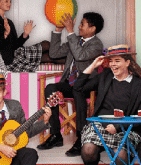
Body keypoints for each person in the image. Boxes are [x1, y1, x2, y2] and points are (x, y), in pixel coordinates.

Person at [38, 11, 104, 156]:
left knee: (77, 90)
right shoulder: (76, 40)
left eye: (82, 24)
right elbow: (54, 53)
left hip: (87, 85)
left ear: (92, 28)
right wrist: (58, 30)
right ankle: (55, 135)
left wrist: (70, 31)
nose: (78, 26)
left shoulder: (97, 44)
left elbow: (80, 56)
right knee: (50, 88)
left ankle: (81, 138)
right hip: (71, 83)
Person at [73, 45, 141, 165]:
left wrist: (118, 127)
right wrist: (93, 65)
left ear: (127, 62)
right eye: (110, 61)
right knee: (88, 150)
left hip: (126, 128)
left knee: (120, 155)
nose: (112, 64)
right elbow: (78, 87)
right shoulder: (105, 76)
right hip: (100, 125)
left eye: (117, 61)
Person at [0, 0, 43, 72]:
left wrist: (25, 34)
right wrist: (6, 33)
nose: (9, 4)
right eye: (6, 1)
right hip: (6, 60)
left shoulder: (9, 22)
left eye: (10, 1)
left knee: (46, 46)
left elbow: (15, 45)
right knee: (46, 48)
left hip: (13, 54)